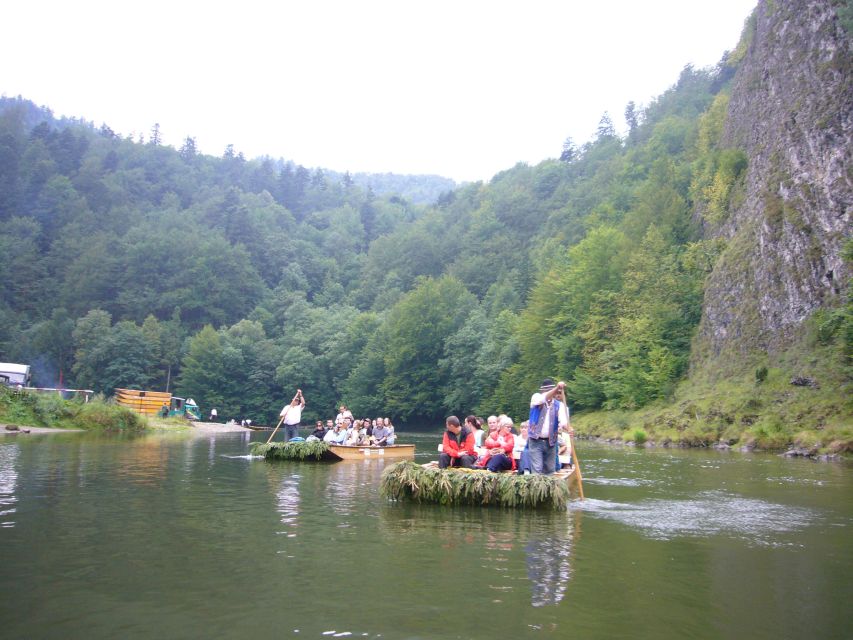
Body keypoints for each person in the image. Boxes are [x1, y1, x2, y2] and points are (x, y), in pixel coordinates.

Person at [527, 379, 569, 474]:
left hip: (551, 442)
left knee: (550, 470)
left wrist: (569, 429)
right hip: (535, 440)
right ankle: (537, 488)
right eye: (547, 391)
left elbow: (563, 422)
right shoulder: (536, 398)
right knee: (537, 469)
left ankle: (548, 488)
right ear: (542, 391)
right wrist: (557, 388)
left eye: (551, 390)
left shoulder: (560, 405)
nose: (550, 393)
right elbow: (543, 398)